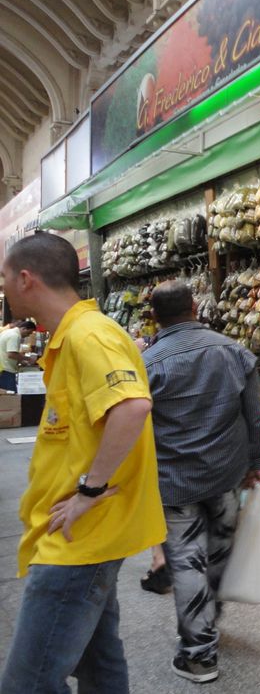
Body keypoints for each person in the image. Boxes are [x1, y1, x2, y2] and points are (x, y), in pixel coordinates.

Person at [0, 233, 166, 693]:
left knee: (27, 683)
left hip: (78, 541)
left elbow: (132, 406)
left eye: (5, 277)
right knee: (98, 663)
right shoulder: (72, 336)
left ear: (26, 279)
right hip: (83, 535)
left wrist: (88, 492)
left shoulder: (89, 335)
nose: (4, 286)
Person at [143, 280, 260, 683]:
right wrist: (256, 462)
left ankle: (199, 653)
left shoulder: (148, 363)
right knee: (217, 553)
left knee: (187, 560)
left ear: (154, 317)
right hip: (226, 475)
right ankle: (207, 622)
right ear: (195, 307)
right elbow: (254, 416)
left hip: (175, 481)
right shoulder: (233, 351)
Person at [0, 319, 37, 391]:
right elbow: (11, 354)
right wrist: (28, 359)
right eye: (28, 333)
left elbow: (9, 351)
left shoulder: (7, 332)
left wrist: (21, 361)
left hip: (2, 368)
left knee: (4, 396)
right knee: (9, 396)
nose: (27, 336)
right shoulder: (15, 336)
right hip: (6, 370)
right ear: (23, 328)